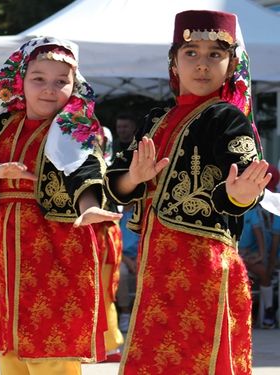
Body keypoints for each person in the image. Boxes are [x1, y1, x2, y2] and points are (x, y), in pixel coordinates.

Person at [104, 10, 271, 374]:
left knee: (198, 357)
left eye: (215, 53)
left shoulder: (227, 118)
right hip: (155, 262)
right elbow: (118, 181)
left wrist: (241, 193)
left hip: (203, 264)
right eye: (191, 52)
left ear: (230, 65)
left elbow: (242, 187)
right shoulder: (155, 118)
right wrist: (135, 177)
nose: (202, 64)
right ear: (174, 63)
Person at [0, 36, 121, 374]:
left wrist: (89, 206)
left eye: (61, 81)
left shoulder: (76, 130)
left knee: (52, 347)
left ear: (75, 86)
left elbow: (88, 170)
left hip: (57, 244)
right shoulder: (2, 128)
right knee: (11, 348)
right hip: (5, 247)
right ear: (21, 80)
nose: (49, 89)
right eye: (39, 79)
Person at [92, 127, 124, 361]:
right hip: (86, 234)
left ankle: (109, 344)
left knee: (103, 292)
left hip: (104, 236)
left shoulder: (112, 168)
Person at [239, 165, 279, 328]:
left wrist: (264, 258)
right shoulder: (247, 207)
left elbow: (267, 241)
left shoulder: (270, 211)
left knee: (263, 271)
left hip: (261, 256)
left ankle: (268, 311)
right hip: (238, 253)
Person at [116, 203, 139, 333]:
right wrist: (128, 261)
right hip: (122, 257)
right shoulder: (117, 215)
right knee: (121, 273)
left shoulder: (142, 211)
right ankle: (125, 313)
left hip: (140, 256)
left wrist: (137, 259)